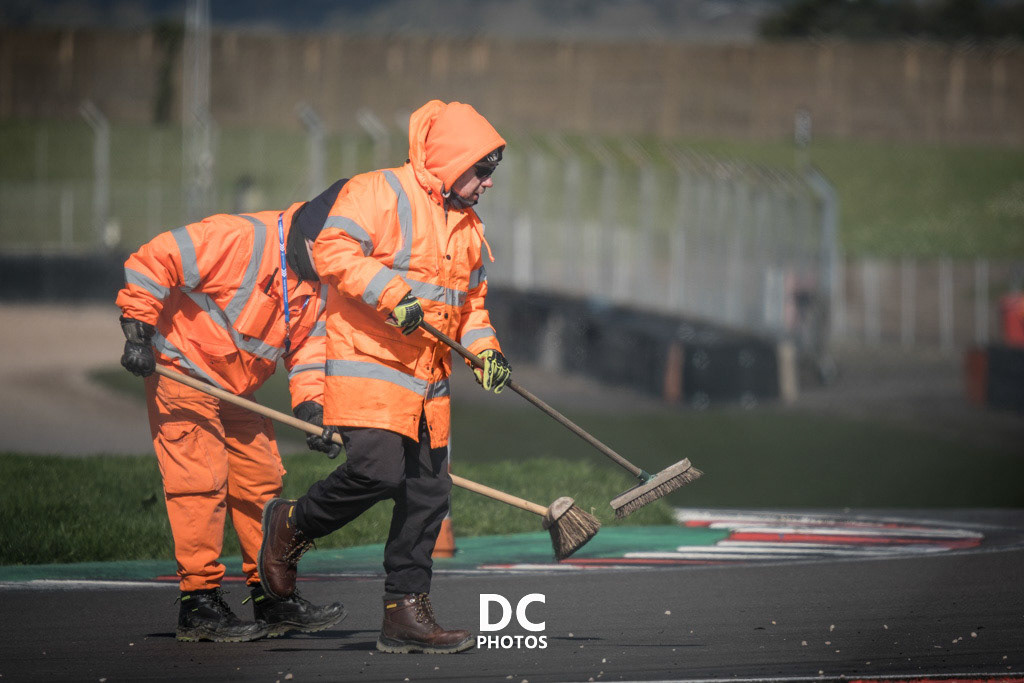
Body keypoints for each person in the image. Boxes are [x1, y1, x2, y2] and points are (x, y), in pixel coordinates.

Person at [258, 100, 512, 655]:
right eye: (482, 171)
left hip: (428, 383)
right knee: (376, 472)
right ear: (452, 161)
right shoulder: (377, 191)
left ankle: (404, 614)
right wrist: (392, 294)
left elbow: (471, 308)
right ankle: (290, 526)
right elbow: (331, 249)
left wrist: (486, 353)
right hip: (371, 366)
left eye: (492, 173)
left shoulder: (469, 227)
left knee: (429, 492)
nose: (488, 184)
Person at [115, 180, 351, 642]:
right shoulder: (239, 238)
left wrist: (312, 408)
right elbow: (153, 258)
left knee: (261, 482)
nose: (334, 263)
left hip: (236, 389)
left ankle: (272, 598)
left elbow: (309, 348)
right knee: (200, 481)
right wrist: (137, 330)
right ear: (309, 231)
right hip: (180, 368)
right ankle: (199, 603)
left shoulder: (324, 279)